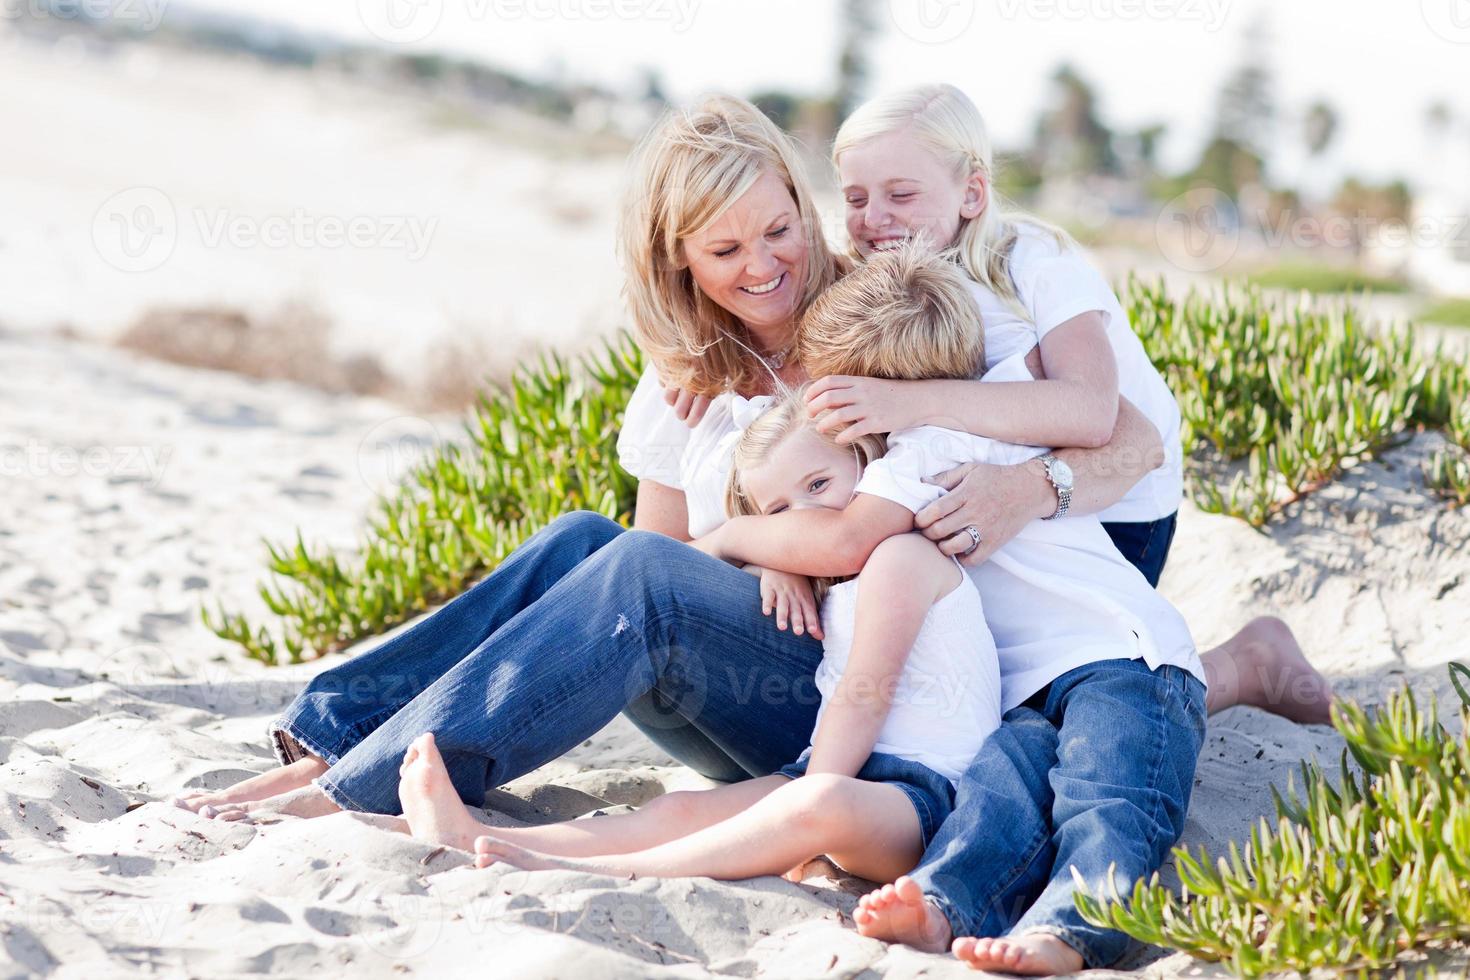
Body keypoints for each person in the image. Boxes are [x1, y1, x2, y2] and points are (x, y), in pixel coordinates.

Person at [398, 379, 999, 884]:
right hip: (830, 772)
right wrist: (775, 558)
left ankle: (619, 872)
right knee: (683, 806)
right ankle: (474, 836)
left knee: (817, 804)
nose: (806, 516)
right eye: (779, 512)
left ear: (865, 466)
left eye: (818, 485)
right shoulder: (833, 580)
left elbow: (862, 697)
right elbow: (690, 564)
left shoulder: (903, 558)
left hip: (921, 796)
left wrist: (794, 801)